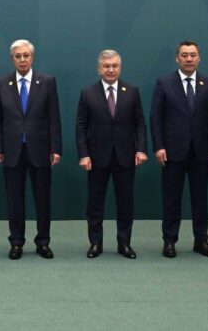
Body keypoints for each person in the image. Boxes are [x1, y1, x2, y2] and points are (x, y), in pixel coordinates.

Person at [150, 41, 208, 258]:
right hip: (172, 152)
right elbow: (155, 117)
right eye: (184, 55)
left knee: (200, 198)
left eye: (192, 55)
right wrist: (159, 146)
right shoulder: (164, 83)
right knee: (171, 198)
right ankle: (169, 240)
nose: (189, 59)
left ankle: (201, 240)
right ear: (177, 58)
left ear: (199, 58)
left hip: (201, 151)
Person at [0, 40, 62, 259]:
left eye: (26, 55)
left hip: (41, 150)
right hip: (12, 151)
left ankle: (43, 242)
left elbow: (54, 117)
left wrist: (55, 148)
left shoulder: (47, 81)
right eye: (18, 56)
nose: (22, 60)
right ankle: (16, 242)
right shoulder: (2, 83)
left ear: (32, 57)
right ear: (12, 59)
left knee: (43, 199)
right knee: (14, 200)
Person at [76, 50, 147, 259]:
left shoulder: (132, 91)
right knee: (95, 203)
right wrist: (84, 154)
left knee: (125, 203)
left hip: (126, 156)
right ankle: (95, 243)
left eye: (115, 66)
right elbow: (81, 126)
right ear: (99, 69)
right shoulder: (88, 92)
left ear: (120, 68)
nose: (111, 70)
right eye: (106, 66)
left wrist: (141, 149)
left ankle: (124, 243)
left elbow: (139, 123)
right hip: (96, 157)